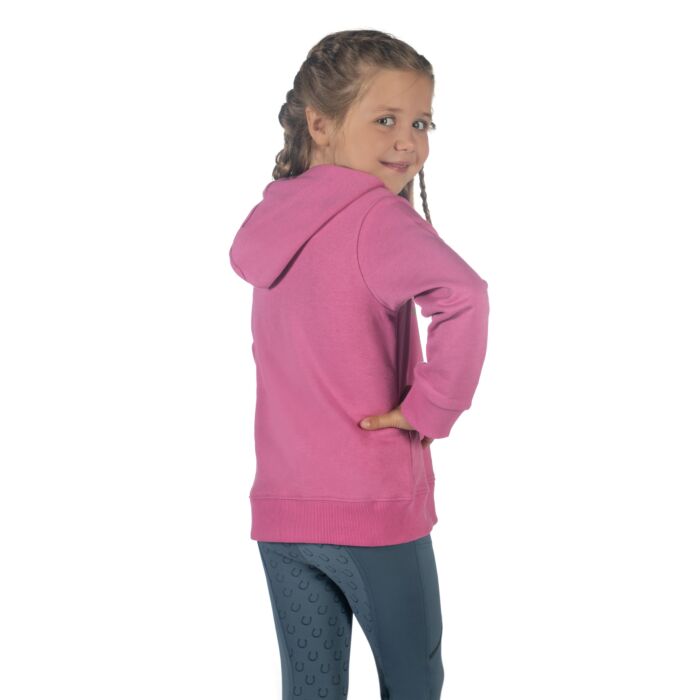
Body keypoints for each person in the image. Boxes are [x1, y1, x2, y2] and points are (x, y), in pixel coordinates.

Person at [229, 29, 490, 700]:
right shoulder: (377, 217)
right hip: (371, 508)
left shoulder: (273, 217)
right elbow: (465, 295)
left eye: (421, 123)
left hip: (283, 511)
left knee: (310, 688)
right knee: (414, 682)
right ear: (320, 124)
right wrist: (431, 407)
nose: (408, 141)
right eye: (386, 120)